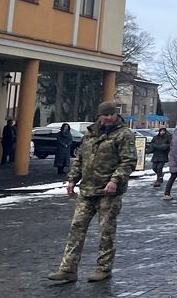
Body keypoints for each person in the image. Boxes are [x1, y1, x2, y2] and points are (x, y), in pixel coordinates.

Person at [47, 102, 137, 283]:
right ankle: (68, 269)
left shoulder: (124, 134)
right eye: (105, 114)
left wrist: (115, 180)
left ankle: (103, 268)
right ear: (99, 115)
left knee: (106, 232)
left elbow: (128, 161)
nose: (109, 117)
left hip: (108, 192)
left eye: (111, 114)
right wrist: (72, 179)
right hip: (87, 190)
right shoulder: (90, 134)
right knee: (76, 228)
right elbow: (80, 159)